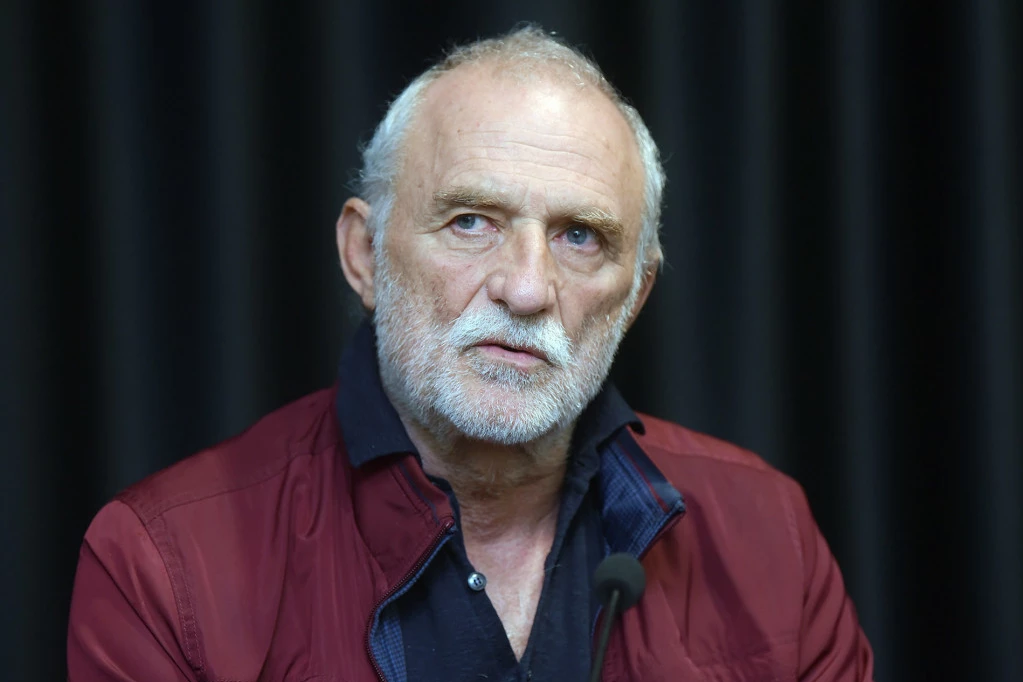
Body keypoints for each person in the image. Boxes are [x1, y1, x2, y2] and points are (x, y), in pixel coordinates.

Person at [68, 26, 874, 682]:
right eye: (470, 222)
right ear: (363, 255)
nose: (525, 288)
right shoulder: (167, 563)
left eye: (579, 237)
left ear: (634, 296)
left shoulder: (767, 536)